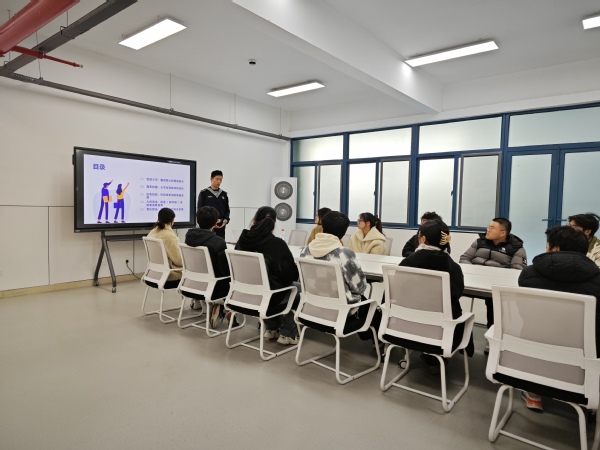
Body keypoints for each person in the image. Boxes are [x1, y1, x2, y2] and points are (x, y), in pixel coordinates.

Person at [518, 226, 600, 412]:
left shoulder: (528, 274)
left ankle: (533, 394)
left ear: (555, 248)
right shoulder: (597, 280)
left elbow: (524, 312)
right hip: (583, 363)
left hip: (534, 351)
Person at [400, 219, 474, 373]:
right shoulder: (453, 267)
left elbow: (399, 289)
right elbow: (456, 295)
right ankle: (433, 360)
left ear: (423, 239)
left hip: (405, 325)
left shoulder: (407, 262)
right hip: (442, 330)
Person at [300, 211, 380, 346]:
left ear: (323, 227)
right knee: (372, 308)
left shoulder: (305, 251)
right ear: (343, 233)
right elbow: (359, 288)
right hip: (340, 311)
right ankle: (377, 344)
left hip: (311, 308)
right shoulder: (344, 254)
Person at [235, 206, 300, 345]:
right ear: (274, 224)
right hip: (267, 298)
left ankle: (272, 328)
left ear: (254, 220)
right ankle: (288, 334)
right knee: (296, 289)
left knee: (272, 285)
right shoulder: (277, 244)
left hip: (241, 295)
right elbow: (291, 275)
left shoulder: (243, 239)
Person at [459, 217, 527, 346]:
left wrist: (495, 276)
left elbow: (517, 271)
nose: (488, 230)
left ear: (502, 233)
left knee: (493, 303)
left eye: (492, 228)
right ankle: (456, 332)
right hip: (474, 281)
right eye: (488, 226)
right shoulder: (479, 242)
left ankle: (492, 339)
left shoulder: (516, 248)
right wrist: (475, 272)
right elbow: (464, 258)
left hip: (495, 286)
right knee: (453, 292)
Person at [185, 206, 231, 324]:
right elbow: (224, 270)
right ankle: (222, 307)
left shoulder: (189, 238)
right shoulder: (218, 242)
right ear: (216, 222)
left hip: (190, 284)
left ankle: (201, 302)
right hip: (213, 287)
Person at [147, 207, 183, 286]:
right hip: (169, 276)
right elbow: (179, 260)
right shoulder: (169, 236)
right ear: (172, 220)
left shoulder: (152, 232)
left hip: (152, 274)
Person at [197, 170, 230, 239]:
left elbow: (227, 210)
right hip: (208, 226)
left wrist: (225, 221)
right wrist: (210, 223)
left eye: (220, 179)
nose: (219, 181)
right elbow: (200, 210)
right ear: (211, 179)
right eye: (217, 179)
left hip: (220, 226)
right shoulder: (204, 193)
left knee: (220, 243)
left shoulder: (224, 194)